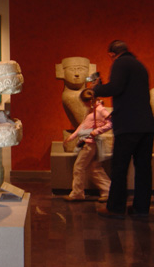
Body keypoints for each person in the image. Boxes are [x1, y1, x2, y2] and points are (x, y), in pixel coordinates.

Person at [93, 40, 154, 219]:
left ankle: (115, 207)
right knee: (143, 168)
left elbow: (116, 87)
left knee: (119, 167)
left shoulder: (120, 63)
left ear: (112, 54)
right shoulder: (140, 66)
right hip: (147, 125)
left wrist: (97, 88)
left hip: (128, 125)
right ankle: (141, 208)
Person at [63, 88, 112, 202]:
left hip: (90, 143)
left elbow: (111, 122)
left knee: (79, 167)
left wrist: (97, 131)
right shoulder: (91, 110)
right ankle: (108, 191)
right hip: (89, 141)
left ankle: (77, 193)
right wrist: (73, 136)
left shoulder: (99, 110)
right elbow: (83, 125)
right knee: (95, 169)